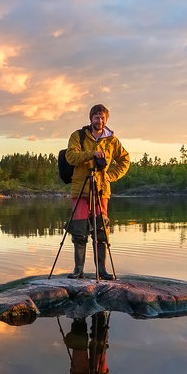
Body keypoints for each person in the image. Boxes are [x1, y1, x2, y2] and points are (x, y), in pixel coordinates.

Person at [64, 104, 130, 279]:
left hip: (101, 190)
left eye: (102, 118)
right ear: (90, 118)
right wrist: (92, 154)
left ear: (106, 119)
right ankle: (78, 270)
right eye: (96, 117)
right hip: (81, 190)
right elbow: (70, 157)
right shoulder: (78, 136)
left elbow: (125, 160)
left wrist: (110, 176)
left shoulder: (111, 140)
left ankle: (102, 270)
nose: (99, 121)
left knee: (101, 231)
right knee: (79, 231)